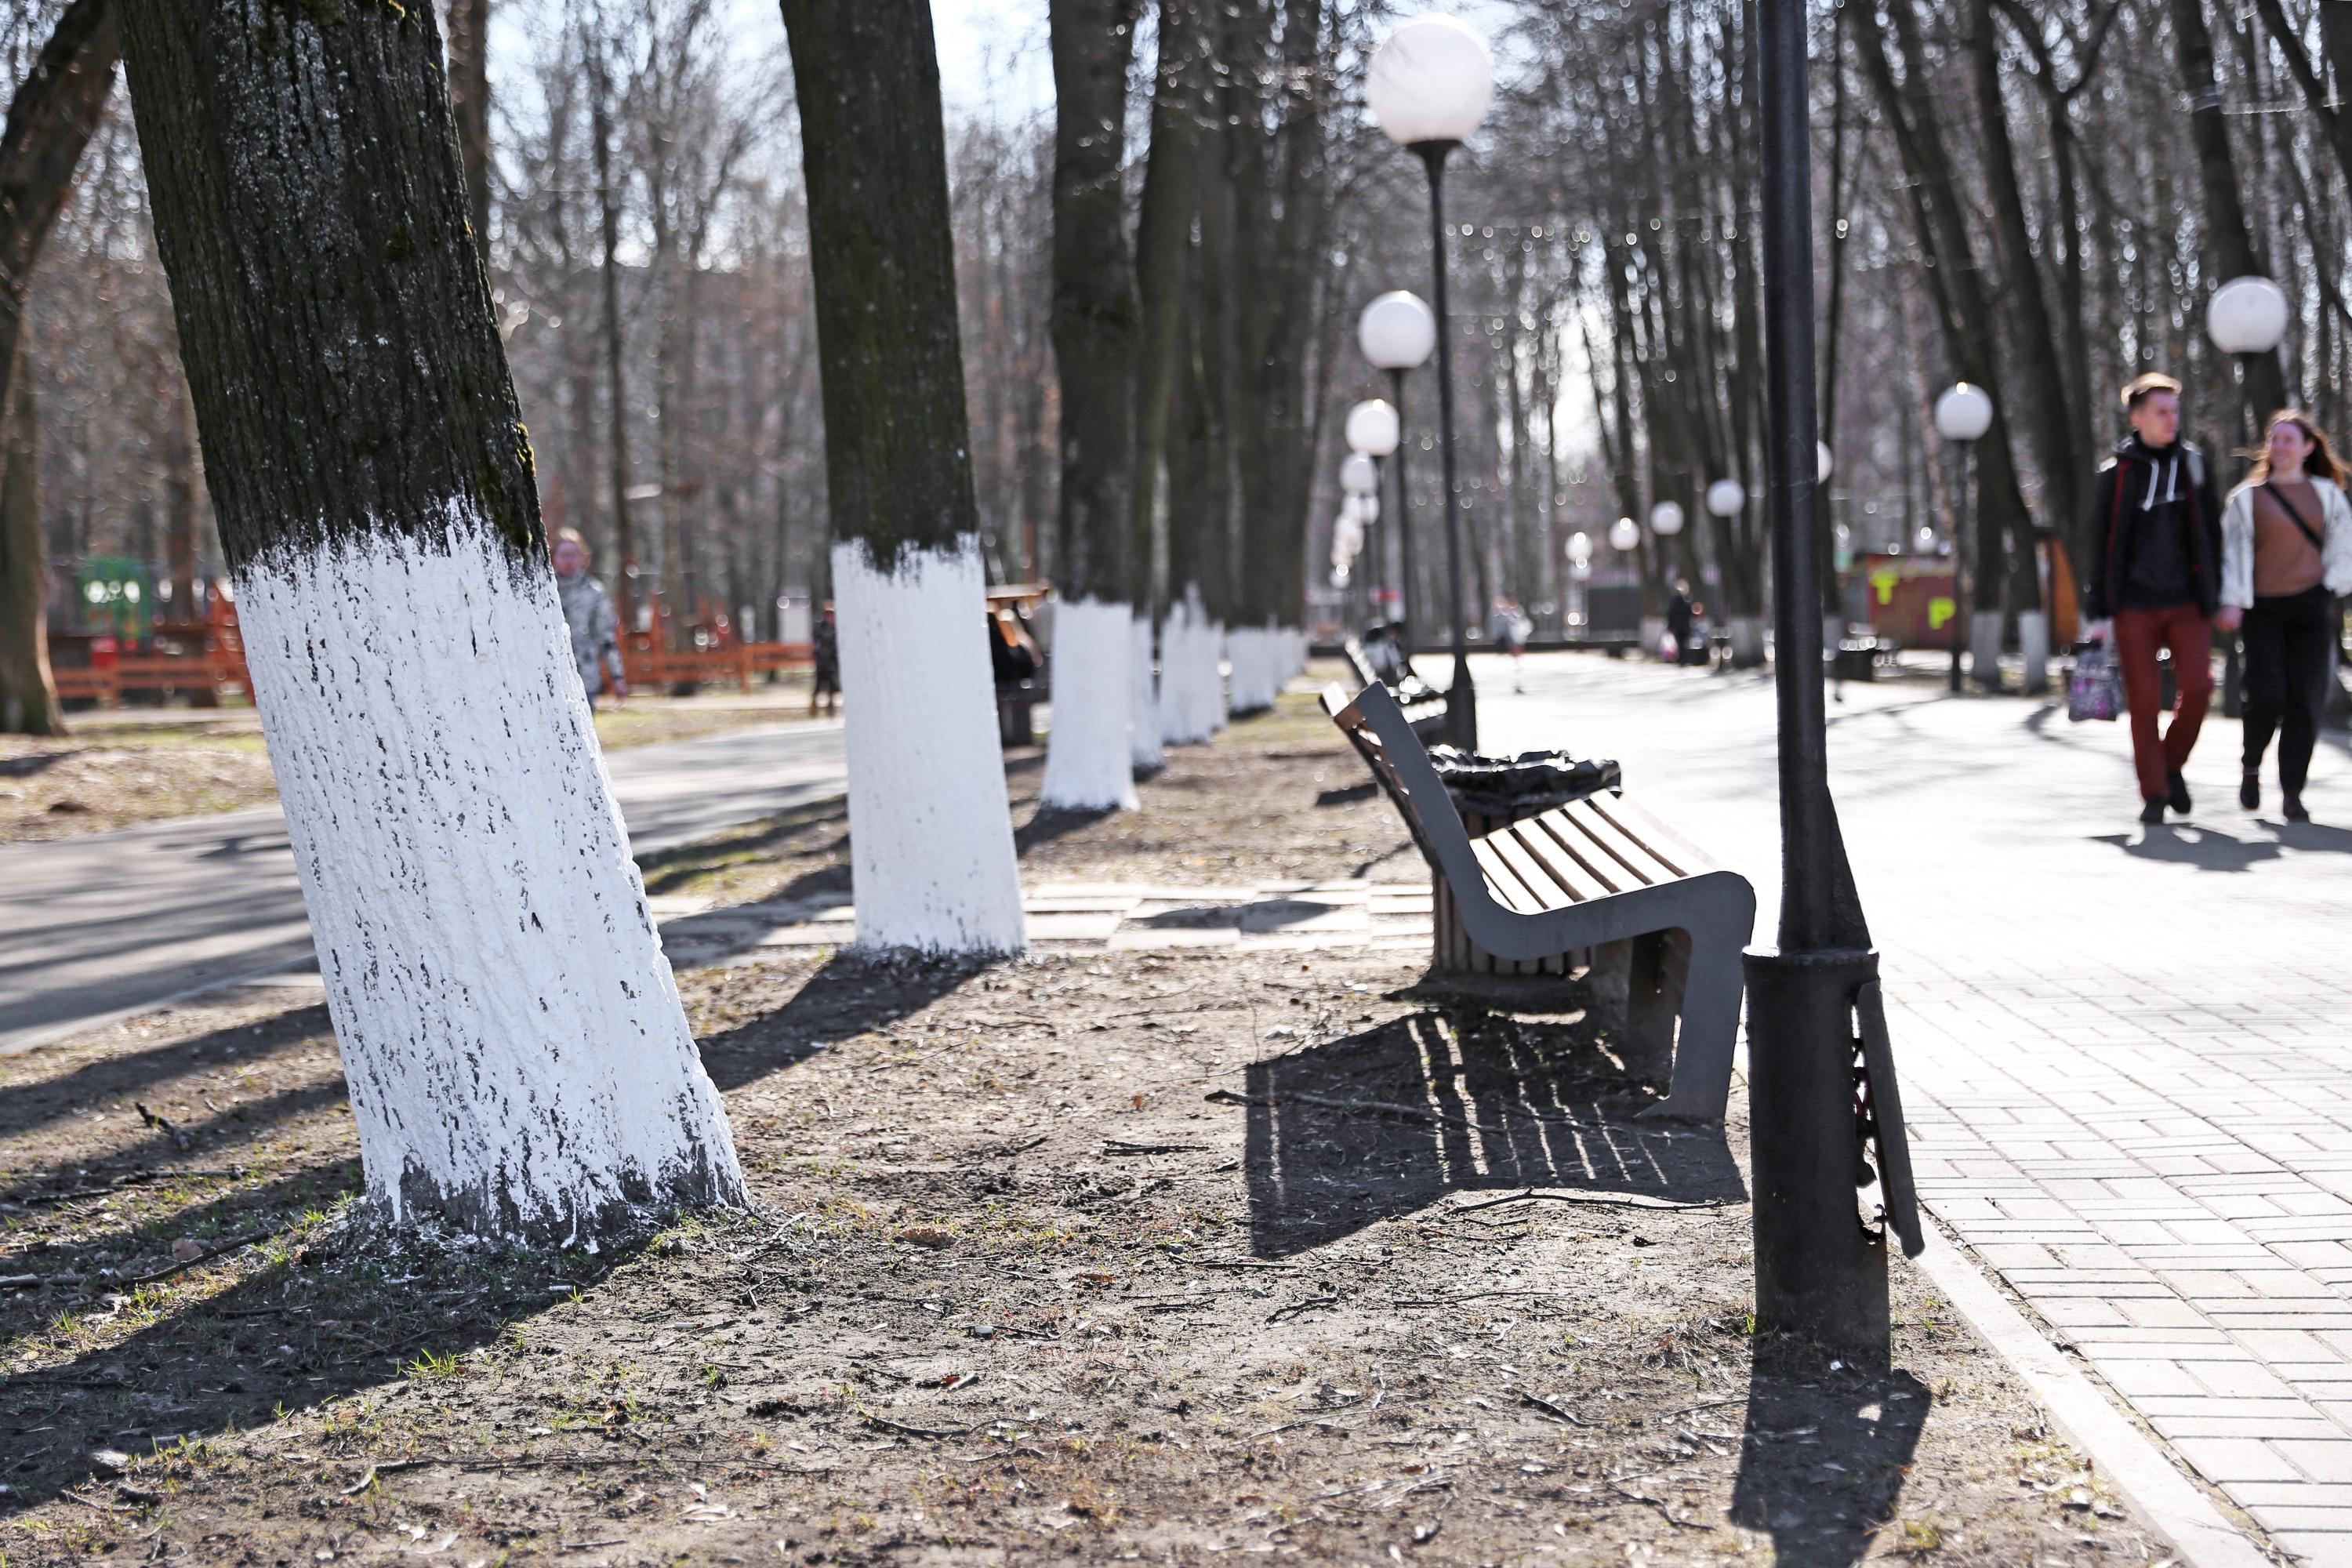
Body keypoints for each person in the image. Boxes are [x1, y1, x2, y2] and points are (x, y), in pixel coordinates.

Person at [2083, 372, 2224, 825]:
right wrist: (2097, 607)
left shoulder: (2195, 466)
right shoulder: (2118, 472)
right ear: (2137, 417)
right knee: (2143, 702)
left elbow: (2213, 535)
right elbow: (2099, 541)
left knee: (2199, 686)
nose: (2171, 420)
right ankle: (2154, 794)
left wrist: (2219, 593)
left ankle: (2171, 763)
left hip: (2187, 601)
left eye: (2175, 411)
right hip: (2133, 606)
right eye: (2162, 412)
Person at [2219, 409, 2352, 822]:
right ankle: (2251, 763)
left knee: (2304, 700)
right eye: (2274, 440)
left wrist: (2332, 585)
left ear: (2308, 447)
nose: (2279, 447)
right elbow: (2232, 554)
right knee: (2266, 694)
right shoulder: (2246, 498)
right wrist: (2232, 600)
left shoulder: (2328, 494)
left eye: (2288, 440)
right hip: (2262, 610)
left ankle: (2293, 790)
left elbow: (2344, 545)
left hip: (2312, 606)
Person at [552, 528, 626, 710]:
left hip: (585, 676)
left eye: (574, 555)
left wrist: (617, 676)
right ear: (554, 558)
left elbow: (606, 638)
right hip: (553, 676)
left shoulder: (594, 593)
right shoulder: (544, 591)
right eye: (564, 555)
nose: (569, 561)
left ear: (583, 558)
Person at [809, 604, 839, 716]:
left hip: (831, 661)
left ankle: (831, 707)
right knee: (818, 685)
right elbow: (817, 644)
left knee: (832, 685)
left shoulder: (835, 628)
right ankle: (814, 707)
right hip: (822, 661)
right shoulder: (820, 628)